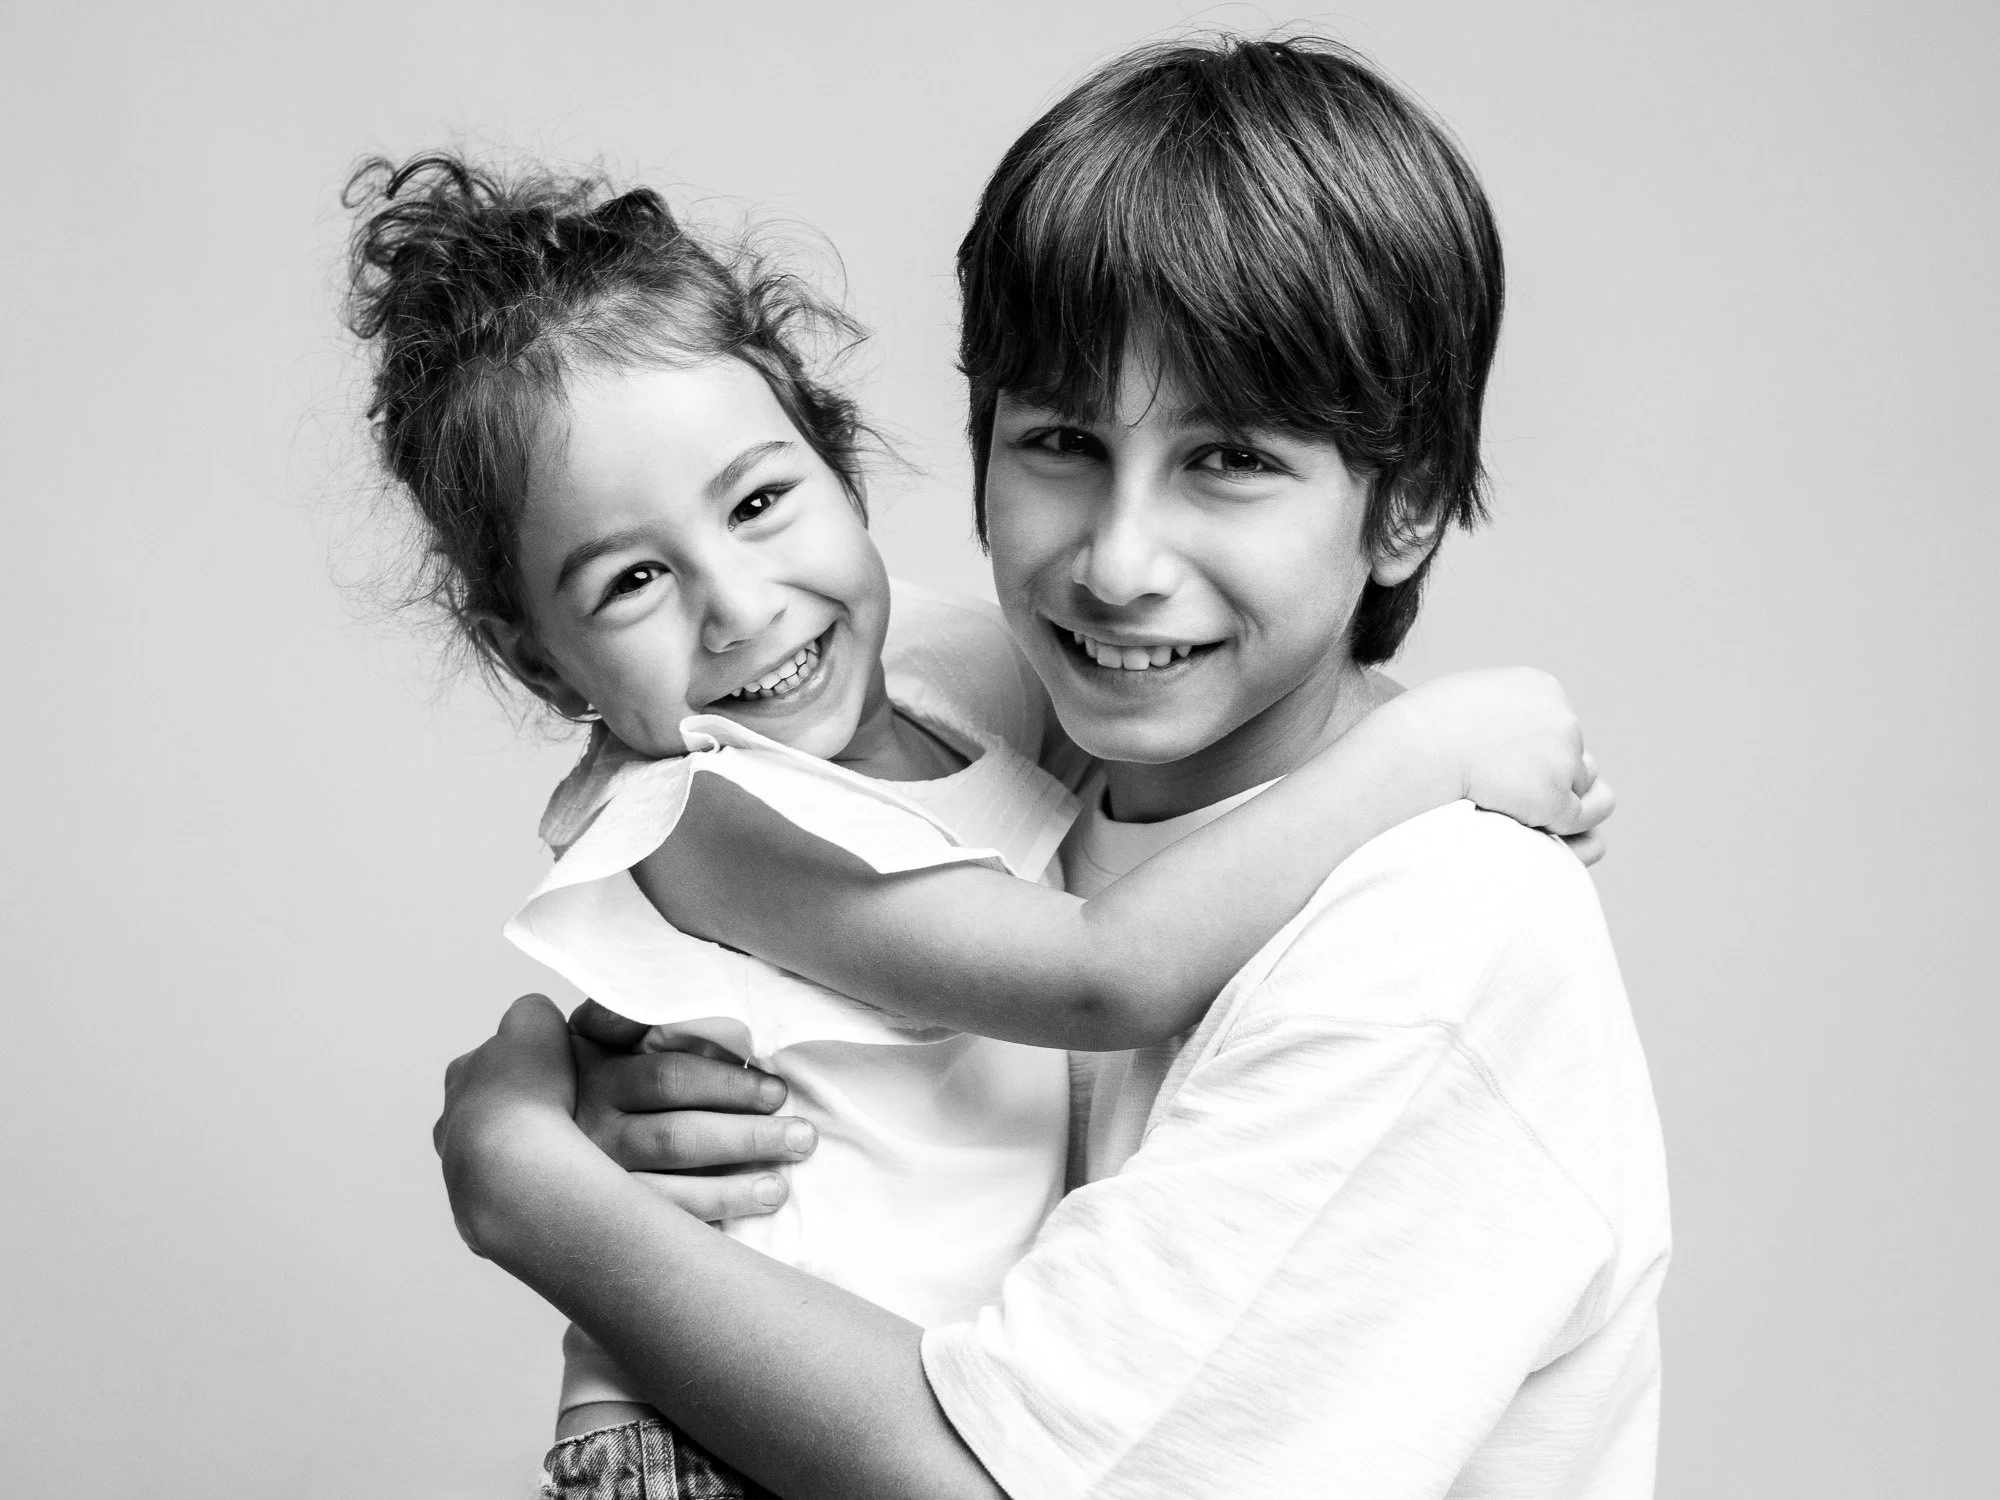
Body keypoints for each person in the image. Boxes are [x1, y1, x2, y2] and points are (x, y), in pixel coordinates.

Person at [433, 34, 1670, 1500]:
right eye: (1063, 440)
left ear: (1404, 507)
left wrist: (539, 1190)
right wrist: (617, 1084)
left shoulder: (1433, 936)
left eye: (1231, 458)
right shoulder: (1028, 734)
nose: (1117, 565)